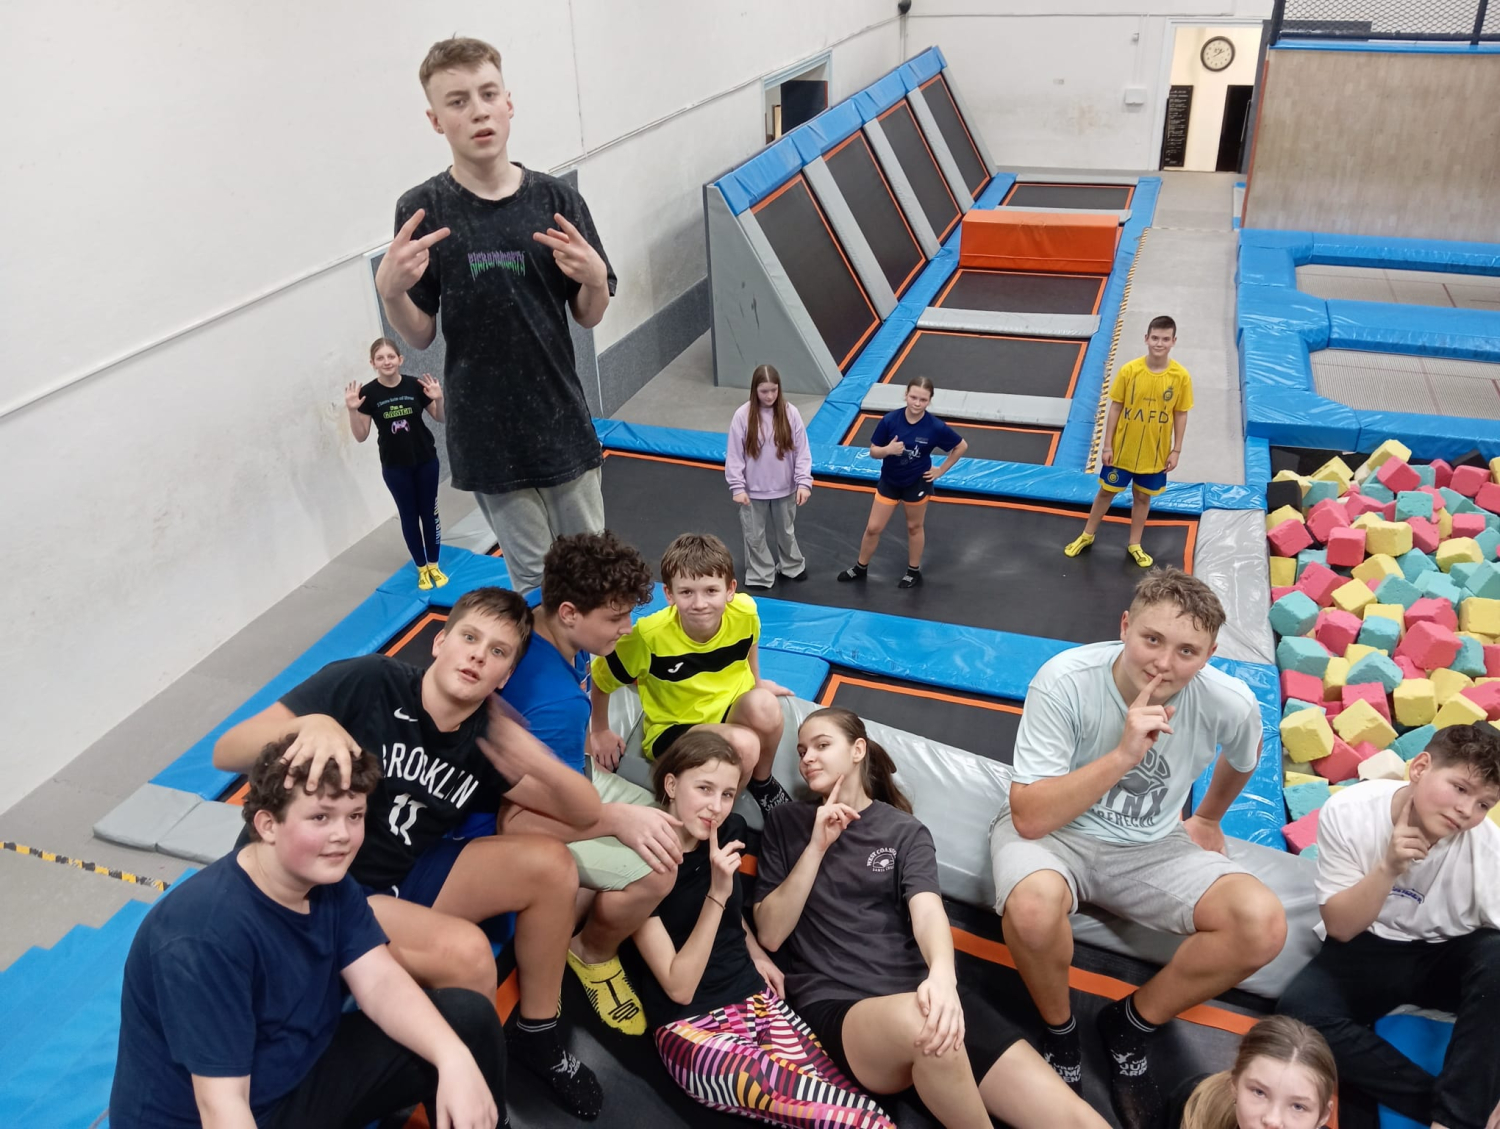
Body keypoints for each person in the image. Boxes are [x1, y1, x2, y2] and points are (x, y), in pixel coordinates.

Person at [212, 587, 606, 1119]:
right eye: (469, 638)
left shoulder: (488, 738)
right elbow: (226, 752)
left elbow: (583, 812)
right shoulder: (369, 681)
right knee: (468, 955)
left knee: (553, 867)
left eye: (497, 651)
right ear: (439, 642)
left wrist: (532, 754)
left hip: (400, 875)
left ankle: (537, 1034)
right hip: (318, 889)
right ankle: (459, 1102)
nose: (477, 656)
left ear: (505, 676)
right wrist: (309, 725)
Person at [990, 567, 1286, 1129]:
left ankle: (1130, 1024)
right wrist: (1125, 755)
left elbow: (1243, 757)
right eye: (1152, 639)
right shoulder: (1065, 680)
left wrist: (1207, 816)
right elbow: (1029, 817)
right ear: (1125, 626)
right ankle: (1060, 1031)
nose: (1163, 663)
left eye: (1186, 651)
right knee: (1031, 908)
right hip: (1056, 835)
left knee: (1262, 925)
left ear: (1209, 655)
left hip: (1152, 846)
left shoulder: (1229, 701)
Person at [111, 738, 506, 1129]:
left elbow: (381, 981)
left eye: (355, 816)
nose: (343, 835)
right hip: (219, 1116)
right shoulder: (203, 936)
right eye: (321, 817)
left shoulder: (328, 883)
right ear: (268, 825)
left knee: (464, 1022)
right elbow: (222, 1107)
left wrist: (454, 1058)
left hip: (292, 1080)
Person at [754, 708, 1109, 1129]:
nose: (807, 758)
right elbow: (771, 934)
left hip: (921, 993)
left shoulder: (904, 831)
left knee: (1079, 1120)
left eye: (821, 745)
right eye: (801, 751)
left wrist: (942, 977)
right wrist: (816, 847)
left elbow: (926, 910)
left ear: (858, 750)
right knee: (925, 1027)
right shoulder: (788, 822)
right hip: (841, 1004)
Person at [374, 36, 616, 597]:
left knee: (593, 574)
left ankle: (598, 658)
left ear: (509, 103)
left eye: (488, 95)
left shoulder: (555, 201)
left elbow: (588, 316)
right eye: (458, 101)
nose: (478, 111)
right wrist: (390, 295)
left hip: (560, 419)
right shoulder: (422, 209)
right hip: (486, 435)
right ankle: (547, 659)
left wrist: (595, 278)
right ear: (436, 120)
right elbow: (420, 332)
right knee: (533, 582)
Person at [633, 729, 897, 1128]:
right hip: (692, 1028)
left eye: (727, 794)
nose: (715, 807)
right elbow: (679, 986)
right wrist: (718, 893)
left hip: (755, 1000)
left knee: (861, 1109)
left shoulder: (728, 832)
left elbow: (731, 916)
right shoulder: (644, 863)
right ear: (671, 785)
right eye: (704, 788)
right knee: (857, 1123)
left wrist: (755, 952)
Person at [489, 530, 676, 1038]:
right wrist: (612, 820)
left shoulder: (537, 609)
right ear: (570, 612)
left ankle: (577, 905)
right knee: (659, 870)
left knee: (670, 822)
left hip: (563, 782)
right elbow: (518, 823)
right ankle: (591, 952)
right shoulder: (555, 704)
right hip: (516, 825)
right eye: (616, 619)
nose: (627, 628)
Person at [1278, 723, 1500, 1129]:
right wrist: (1388, 867)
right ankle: (1457, 1106)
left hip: (1443, 955)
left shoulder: (1488, 853)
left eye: (1484, 804)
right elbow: (1341, 928)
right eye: (1460, 788)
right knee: (1298, 1017)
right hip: (1365, 945)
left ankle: (1454, 1120)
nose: (1467, 811)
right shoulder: (1351, 812)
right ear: (1420, 767)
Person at [589, 532, 794, 814]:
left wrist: (757, 683)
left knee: (765, 706)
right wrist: (600, 729)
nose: (699, 604)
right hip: (675, 727)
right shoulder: (648, 637)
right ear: (669, 594)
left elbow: (751, 642)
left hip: (727, 708)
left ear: (730, 590)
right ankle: (718, 815)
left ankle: (762, 782)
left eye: (711, 591)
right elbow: (601, 678)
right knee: (744, 746)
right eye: (687, 592)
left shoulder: (745, 612)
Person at [1065, 316, 1193, 567]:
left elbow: (1181, 413)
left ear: (1173, 341)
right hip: (1122, 450)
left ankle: (1135, 544)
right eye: (1155, 338)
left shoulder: (1181, 377)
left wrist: (1176, 450)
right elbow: (1115, 407)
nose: (1159, 343)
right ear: (1146, 338)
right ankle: (1087, 535)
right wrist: (1107, 445)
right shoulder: (1129, 371)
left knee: (1143, 497)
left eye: (1165, 339)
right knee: (1106, 492)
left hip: (1155, 454)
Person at [835, 376, 967, 589]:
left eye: (923, 400)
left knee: (914, 527)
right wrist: (888, 450)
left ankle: (913, 571)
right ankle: (860, 567)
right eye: (913, 397)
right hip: (890, 481)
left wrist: (941, 470)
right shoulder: (890, 420)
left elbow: (961, 446)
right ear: (906, 395)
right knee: (873, 528)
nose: (917, 403)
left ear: (929, 401)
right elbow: (873, 451)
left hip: (917, 483)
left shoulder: (935, 427)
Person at [346, 337, 448, 590]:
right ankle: (421, 568)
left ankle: (434, 565)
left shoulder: (415, 385)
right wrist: (352, 410)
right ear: (373, 363)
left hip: (425, 460)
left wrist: (439, 398)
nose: (386, 361)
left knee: (430, 513)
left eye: (391, 356)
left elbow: (441, 417)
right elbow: (360, 436)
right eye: (380, 358)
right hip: (395, 467)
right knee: (409, 516)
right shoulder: (368, 394)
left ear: (400, 359)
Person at [726, 364, 813, 590]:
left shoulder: (790, 412)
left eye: (774, 390)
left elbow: (802, 451)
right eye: (764, 391)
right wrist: (738, 487)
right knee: (754, 535)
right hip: (753, 491)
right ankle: (760, 573)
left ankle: (792, 565)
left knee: (786, 531)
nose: (770, 396)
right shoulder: (742, 416)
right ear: (755, 390)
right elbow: (734, 454)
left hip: (785, 487)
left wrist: (804, 482)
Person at [1167, 1016, 1336, 1129]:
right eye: (1259, 1092)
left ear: (1323, 1116)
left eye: (1298, 1107)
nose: (1272, 1120)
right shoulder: (1196, 1101)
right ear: (1234, 1085)